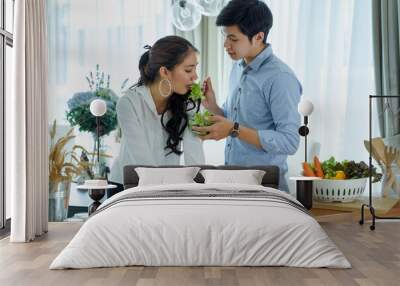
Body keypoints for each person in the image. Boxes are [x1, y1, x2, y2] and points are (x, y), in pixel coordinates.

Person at [192, 0, 302, 192]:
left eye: (233, 39)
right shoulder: (238, 67)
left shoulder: (280, 78)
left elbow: (289, 141)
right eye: (225, 37)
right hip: (232, 181)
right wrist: (214, 107)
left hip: (264, 187)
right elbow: (239, 120)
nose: (226, 45)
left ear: (258, 37)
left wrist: (234, 129)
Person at [109, 35, 205, 196]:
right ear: (164, 71)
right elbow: (142, 160)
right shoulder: (129, 103)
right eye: (188, 70)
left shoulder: (188, 105)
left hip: (166, 187)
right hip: (127, 185)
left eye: (195, 69)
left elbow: (195, 155)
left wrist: (202, 192)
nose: (195, 76)